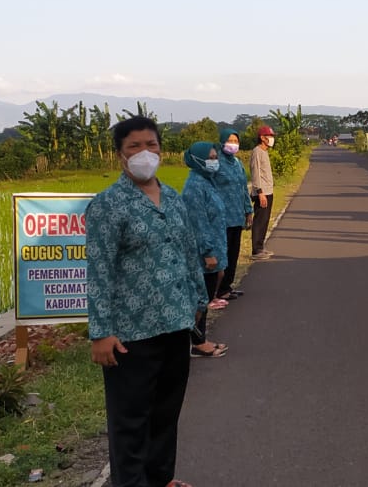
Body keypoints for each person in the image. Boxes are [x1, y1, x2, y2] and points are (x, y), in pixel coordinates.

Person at [85, 116, 205, 487]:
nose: (144, 153)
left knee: (165, 413)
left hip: (175, 325)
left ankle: (160, 478)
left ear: (160, 149)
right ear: (120, 155)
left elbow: (188, 253)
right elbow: (98, 270)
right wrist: (100, 332)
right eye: (134, 146)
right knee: (130, 419)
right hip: (130, 335)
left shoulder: (173, 197)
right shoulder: (108, 205)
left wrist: (198, 303)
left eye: (150, 145)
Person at [179, 141, 230, 358]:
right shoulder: (194, 188)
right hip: (203, 253)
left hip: (216, 247)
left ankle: (198, 339)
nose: (214, 161)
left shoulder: (207, 182)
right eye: (210, 158)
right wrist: (208, 252)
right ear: (197, 160)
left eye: (215, 157)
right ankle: (196, 343)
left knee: (206, 295)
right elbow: (198, 223)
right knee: (200, 299)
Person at [215, 129, 255, 300]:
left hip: (237, 216)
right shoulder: (215, 162)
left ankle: (227, 288)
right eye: (230, 140)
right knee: (221, 255)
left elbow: (243, 189)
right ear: (223, 141)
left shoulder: (238, 163)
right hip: (221, 218)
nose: (233, 144)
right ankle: (216, 290)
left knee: (233, 253)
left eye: (236, 140)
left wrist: (249, 210)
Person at [249, 125, 276, 260]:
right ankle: (256, 250)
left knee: (265, 220)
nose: (272, 139)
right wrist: (260, 192)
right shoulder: (257, 152)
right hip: (262, 192)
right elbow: (255, 173)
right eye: (269, 136)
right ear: (262, 138)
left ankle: (261, 246)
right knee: (259, 220)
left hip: (268, 191)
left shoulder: (265, 152)